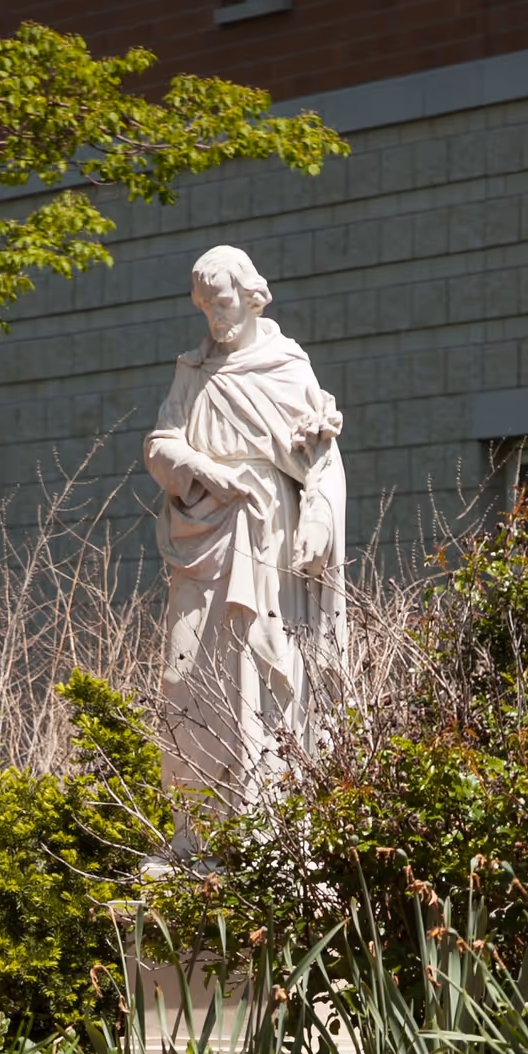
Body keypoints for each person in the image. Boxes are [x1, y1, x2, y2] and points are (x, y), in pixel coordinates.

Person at [143, 245, 348, 814]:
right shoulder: (193, 371)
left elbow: (323, 463)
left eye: (223, 302)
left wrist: (317, 519)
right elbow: (162, 444)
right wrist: (205, 468)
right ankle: (194, 828)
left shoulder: (288, 367)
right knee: (184, 674)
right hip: (201, 538)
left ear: (252, 296)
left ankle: (267, 824)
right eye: (205, 307)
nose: (215, 317)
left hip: (269, 539)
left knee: (264, 668)